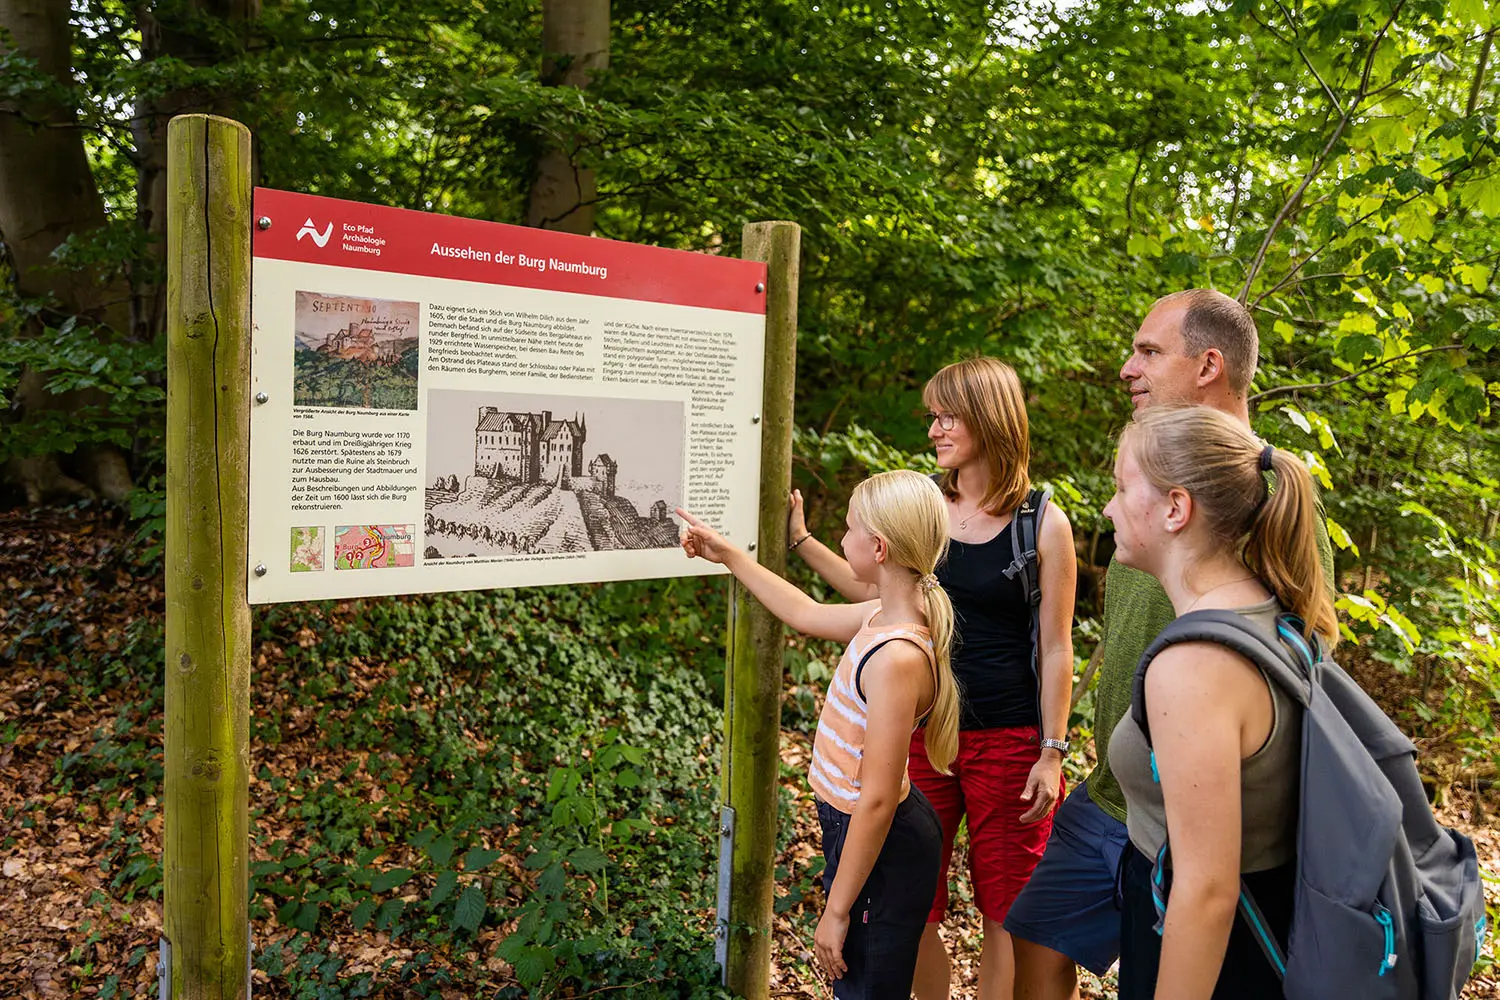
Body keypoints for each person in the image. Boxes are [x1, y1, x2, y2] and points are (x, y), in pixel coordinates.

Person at [1004, 288, 1334, 1000]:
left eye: (1148, 351)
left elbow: (1300, 669)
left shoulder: (1261, 501)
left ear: (1209, 364)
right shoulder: (1153, 476)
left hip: (1198, 811)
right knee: (1033, 938)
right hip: (1115, 793)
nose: (1127, 368)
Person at [788, 357, 1076, 999]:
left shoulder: (1041, 524)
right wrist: (804, 541)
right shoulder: (925, 505)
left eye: (948, 416)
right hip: (925, 733)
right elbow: (874, 589)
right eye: (933, 416)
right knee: (915, 900)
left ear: (989, 418)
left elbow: (1057, 647)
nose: (935, 430)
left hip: (1011, 739)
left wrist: (1052, 752)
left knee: (1005, 909)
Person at [677, 470, 962, 998]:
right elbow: (805, 614)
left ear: (878, 548)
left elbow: (875, 800)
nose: (841, 537)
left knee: (864, 987)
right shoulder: (885, 612)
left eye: (849, 528)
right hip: (870, 831)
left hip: (880, 839)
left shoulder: (896, 658)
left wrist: (836, 911)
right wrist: (731, 556)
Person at [1103, 404, 1336, 997]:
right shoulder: (1272, 614)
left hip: (1217, 955)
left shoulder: (1193, 667)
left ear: (1176, 509)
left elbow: (1207, 889)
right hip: (1266, 924)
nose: (1108, 508)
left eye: (1122, 488)